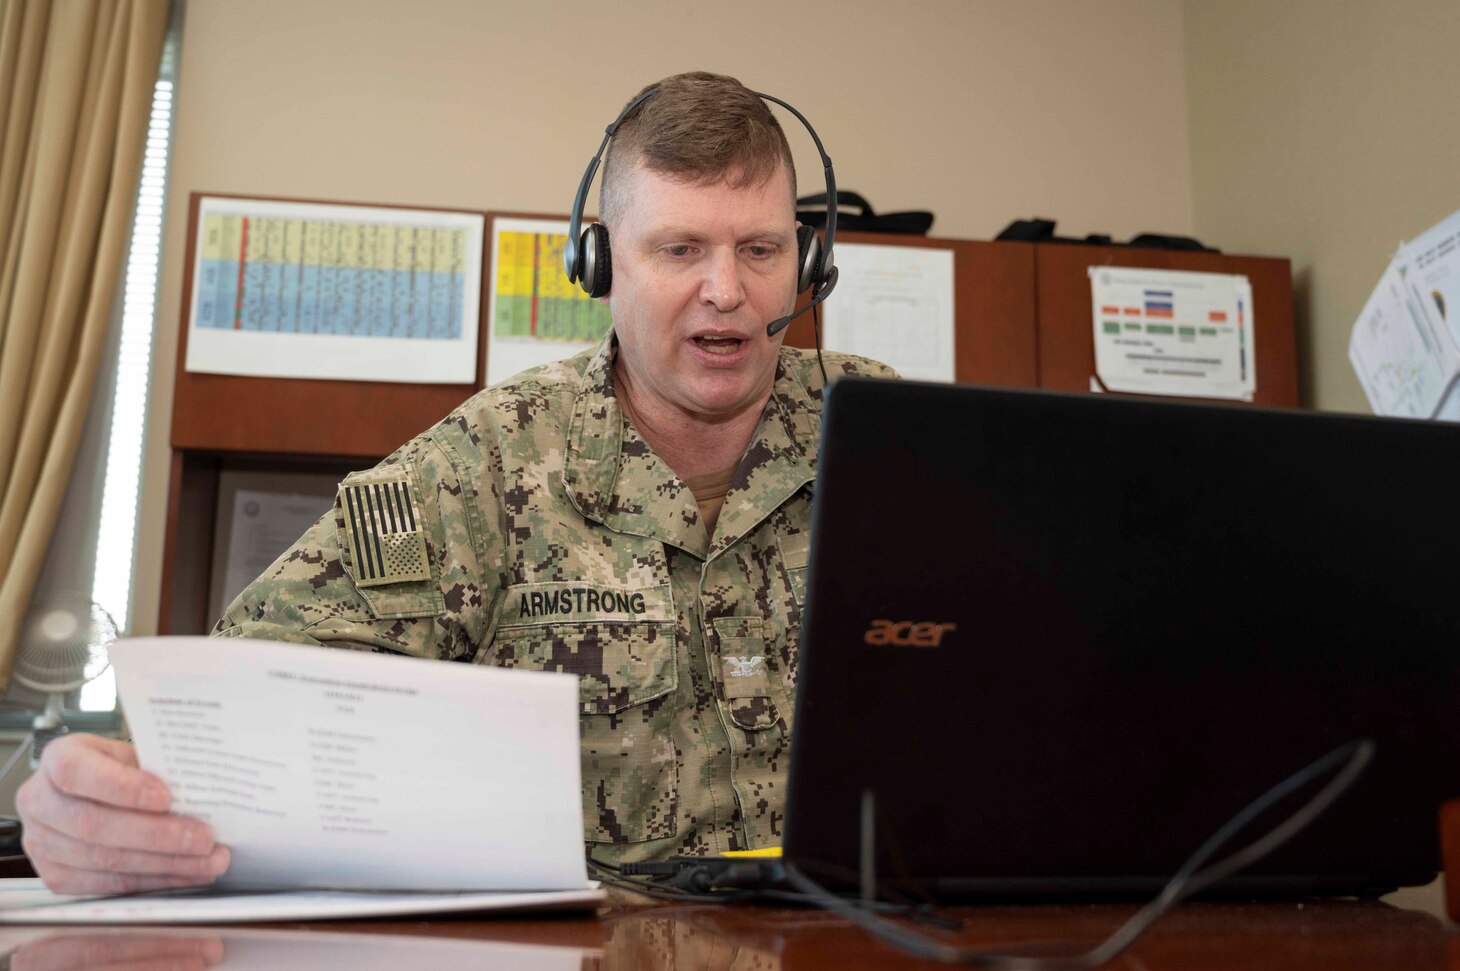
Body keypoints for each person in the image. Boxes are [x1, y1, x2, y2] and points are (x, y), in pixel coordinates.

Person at [16, 71, 895, 894]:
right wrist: (107, 812)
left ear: (809, 264)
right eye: (679, 248)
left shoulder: (897, 443)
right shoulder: (482, 464)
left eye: (760, 248)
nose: (726, 289)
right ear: (598, 266)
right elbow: (252, 698)